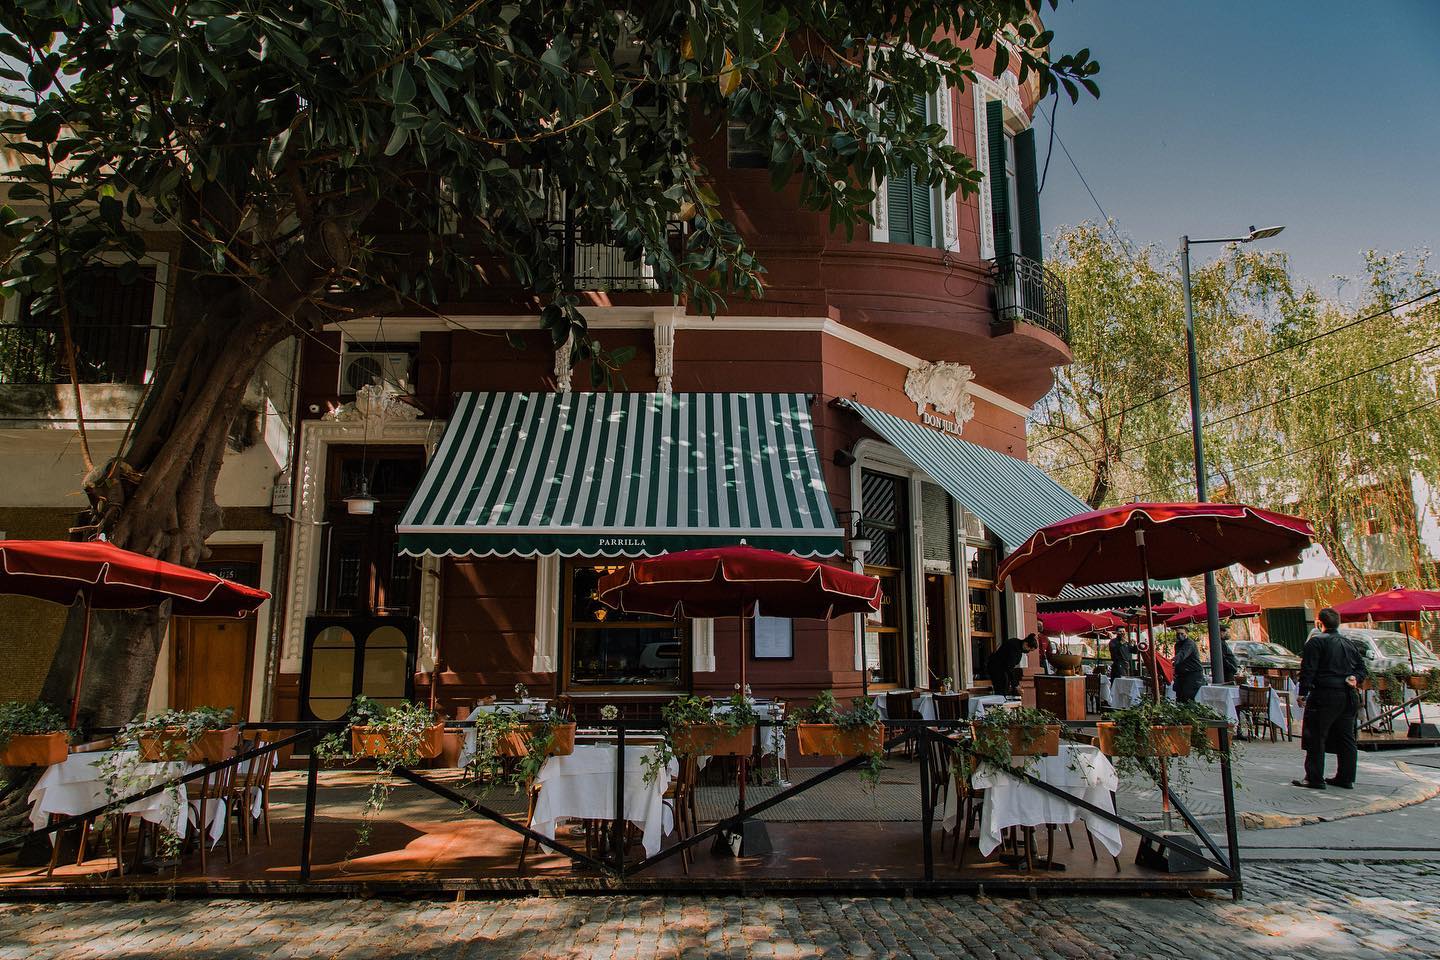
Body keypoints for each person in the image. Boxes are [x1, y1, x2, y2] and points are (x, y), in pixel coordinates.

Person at [1294, 607, 1367, 790]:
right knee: (1346, 737)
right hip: (1348, 694)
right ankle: (1345, 777)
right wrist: (1355, 678)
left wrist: (1303, 693)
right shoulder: (1349, 643)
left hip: (1325, 694)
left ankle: (1314, 777)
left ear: (1319, 623)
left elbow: (1308, 670)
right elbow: (1362, 668)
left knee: (1316, 736)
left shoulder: (1316, 642)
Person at [1172, 630, 1206, 701]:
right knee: (1180, 696)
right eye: (1178, 634)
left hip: (1193, 674)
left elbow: (1182, 654)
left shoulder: (1189, 643)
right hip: (1182, 674)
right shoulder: (1177, 645)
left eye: (1182, 633)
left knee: (1188, 697)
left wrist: (1171, 661)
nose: (1180, 635)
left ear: (1186, 634)